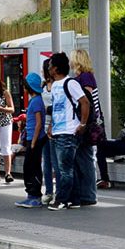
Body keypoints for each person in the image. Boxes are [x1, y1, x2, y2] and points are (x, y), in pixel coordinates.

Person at [46, 52, 90, 211]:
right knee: (67, 168)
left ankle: (62, 200)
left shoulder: (70, 83)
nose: (48, 68)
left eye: (50, 65)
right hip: (58, 131)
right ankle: (75, 199)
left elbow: (84, 102)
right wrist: (51, 125)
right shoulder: (55, 85)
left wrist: (82, 124)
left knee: (65, 170)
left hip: (69, 131)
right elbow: (56, 109)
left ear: (56, 68)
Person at [69, 49, 102, 205]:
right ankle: (85, 193)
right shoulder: (81, 77)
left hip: (87, 124)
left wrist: (83, 122)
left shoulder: (85, 77)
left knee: (86, 159)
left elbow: (86, 100)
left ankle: (89, 194)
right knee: (82, 159)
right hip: (85, 122)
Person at [16, 72, 48, 208]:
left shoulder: (35, 101)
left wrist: (33, 141)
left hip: (35, 139)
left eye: (25, 86)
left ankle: (35, 196)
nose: (23, 89)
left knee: (31, 167)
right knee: (30, 166)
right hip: (33, 138)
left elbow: (38, 123)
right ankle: (31, 195)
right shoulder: (36, 100)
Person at [40, 58, 56, 204]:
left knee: (56, 162)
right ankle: (49, 191)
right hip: (44, 128)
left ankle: (58, 192)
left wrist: (47, 110)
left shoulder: (58, 85)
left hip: (55, 127)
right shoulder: (43, 86)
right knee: (46, 161)